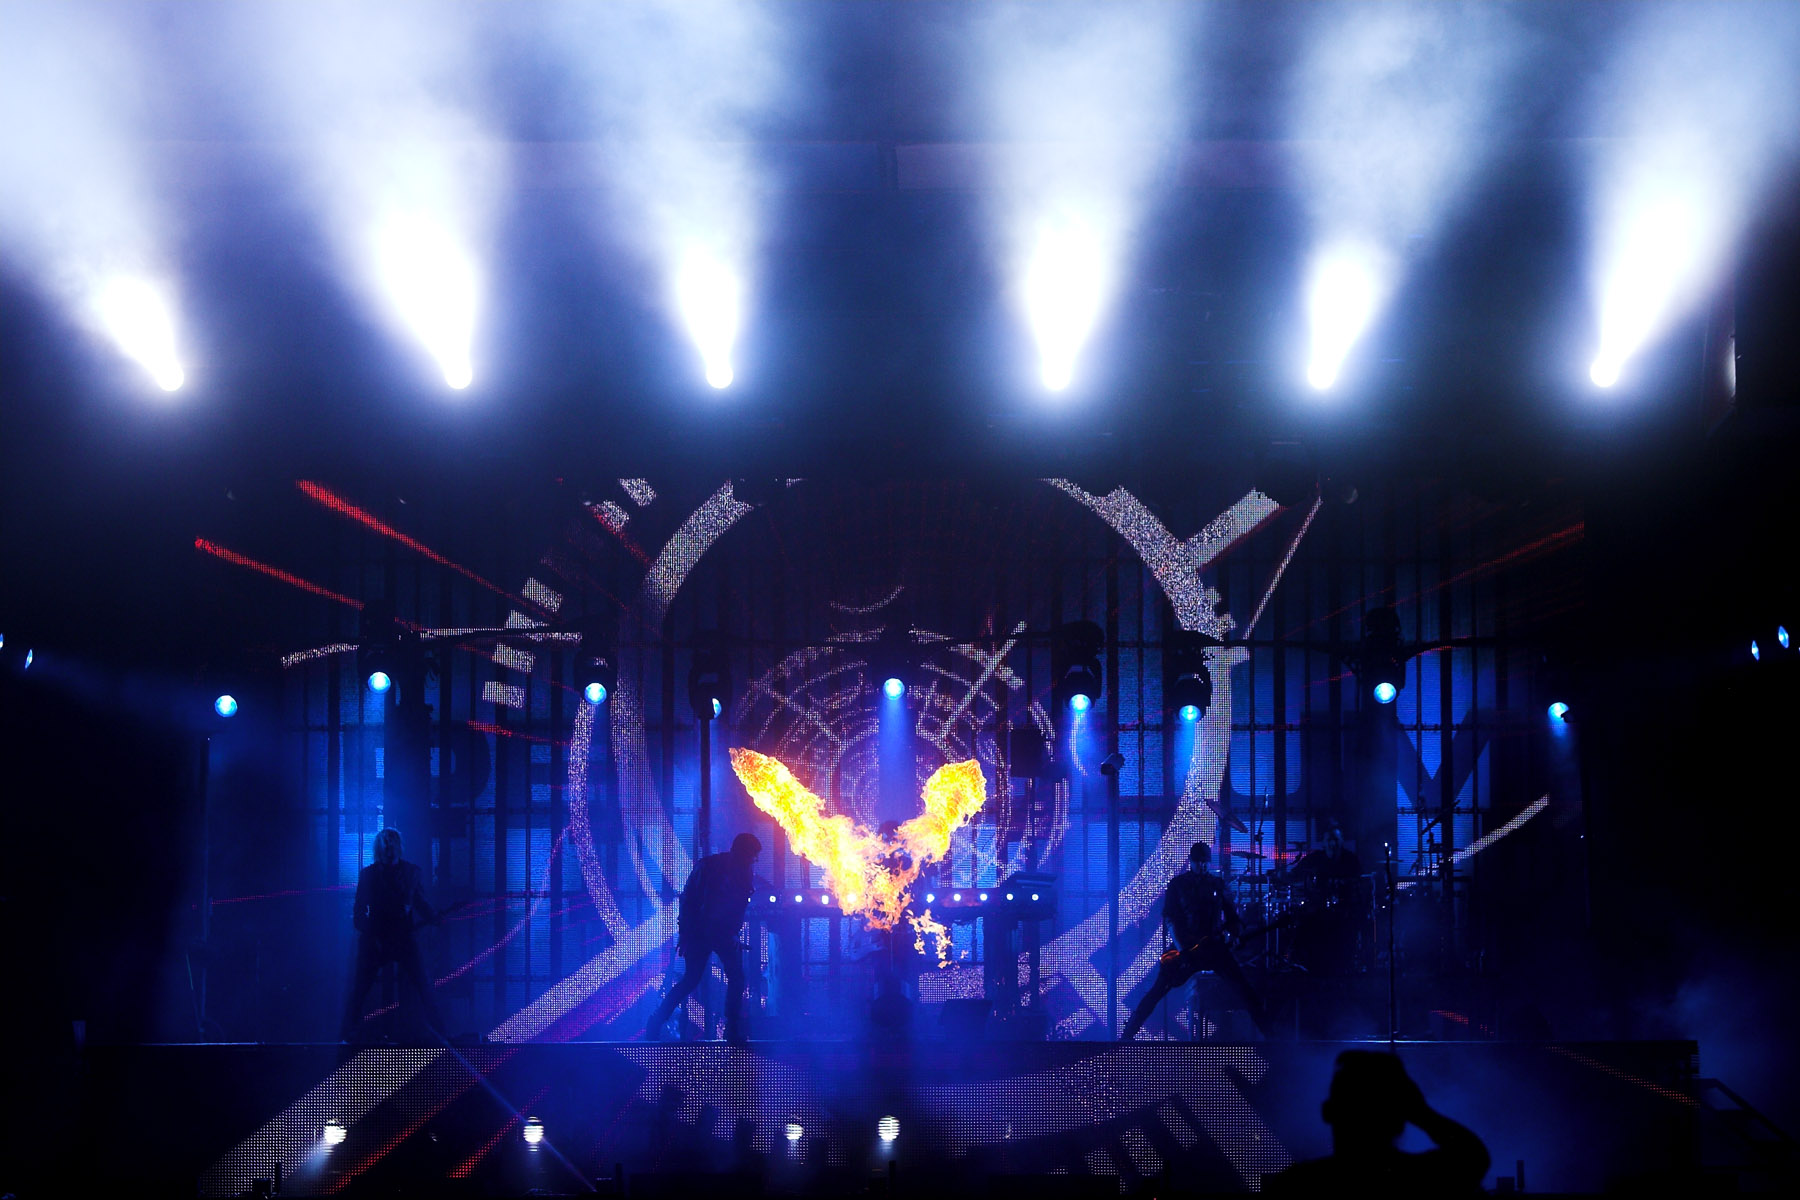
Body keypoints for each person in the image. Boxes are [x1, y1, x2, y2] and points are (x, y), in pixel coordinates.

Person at [1264, 1050, 1490, 1196]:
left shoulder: (1297, 1186)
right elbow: (1473, 1157)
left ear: (1328, 1111)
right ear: (1401, 1118)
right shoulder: (1421, 1180)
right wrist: (1421, 1112)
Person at [1122, 841, 1269, 1040]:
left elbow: (1232, 917)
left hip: (1214, 948)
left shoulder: (1217, 884)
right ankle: (1128, 1033)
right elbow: (1171, 919)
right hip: (1186, 948)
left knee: (1244, 989)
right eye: (1199, 861)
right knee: (1157, 990)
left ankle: (1271, 1034)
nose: (1202, 865)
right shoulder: (1177, 885)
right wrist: (1183, 950)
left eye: (1205, 861)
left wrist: (1235, 934)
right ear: (1191, 862)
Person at [644, 832, 762, 1042]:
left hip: (716, 933)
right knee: (699, 979)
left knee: (719, 978)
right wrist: (686, 933)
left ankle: (730, 1029)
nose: (754, 861)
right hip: (701, 932)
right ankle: (658, 1021)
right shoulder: (710, 867)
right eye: (752, 856)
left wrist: (732, 933)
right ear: (742, 852)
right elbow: (689, 900)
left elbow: (735, 907)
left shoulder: (739, 870)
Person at [340, 828, 445, 1042]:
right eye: (386, 843)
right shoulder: (369, 875)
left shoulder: (410, 873)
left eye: (392, 843)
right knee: (361, 988)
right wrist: (372, 935)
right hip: (376, 941)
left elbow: (419, 901)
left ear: (398, 846)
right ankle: (348, 1032)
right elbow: (359, 913)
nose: (389, 847)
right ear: (379, 848)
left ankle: (441, 1032)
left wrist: (435, 918)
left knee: (423, 985)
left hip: (402, 938)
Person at [1280, 823, 1367, 975]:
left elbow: (1360, 881)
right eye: (1329, 840)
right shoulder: (1315, 858)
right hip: (1317, 908)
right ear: (1324, 842)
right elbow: (1295, 874)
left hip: (1345, 908)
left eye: (1336, 840)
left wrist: (1342, 884)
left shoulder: (1351, 860)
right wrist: (1282, 876)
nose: (1332, 844)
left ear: (1342, 841)